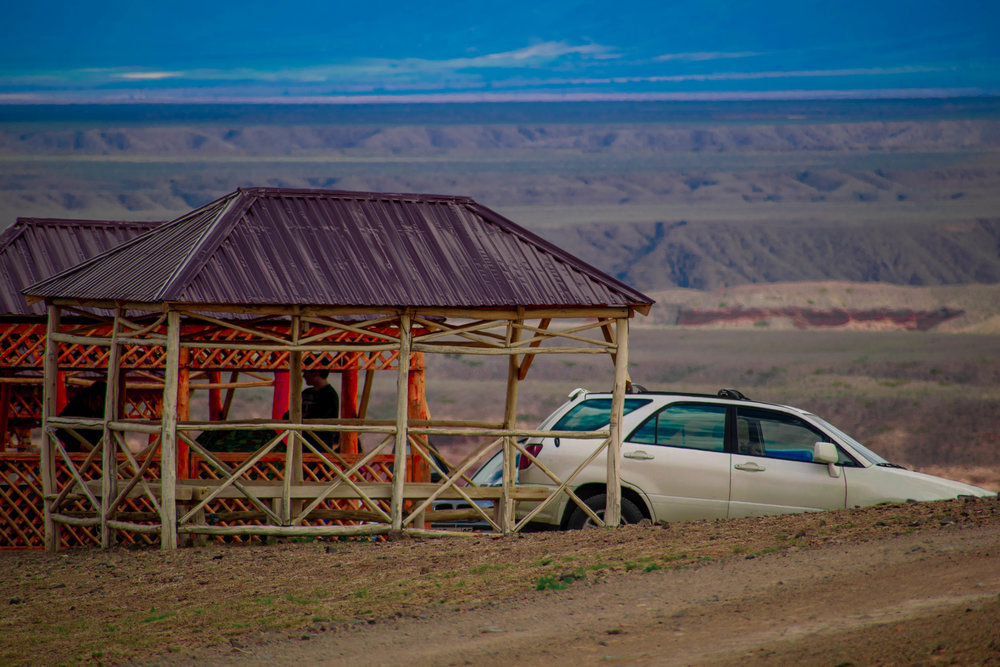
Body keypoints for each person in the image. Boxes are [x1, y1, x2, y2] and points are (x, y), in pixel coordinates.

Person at [55, 381, 106, 452]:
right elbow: (59, 429)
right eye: (97, 401)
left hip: (98, 453)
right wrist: (78, 444)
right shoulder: (75, 407)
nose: (99, 405)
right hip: (76, 453)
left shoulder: (102, 410)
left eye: (101, 402)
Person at [300, 369, 339, 449]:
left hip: (321, 443)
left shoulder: (329, 395)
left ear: (315, 372)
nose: (303, 376)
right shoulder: (306, 393)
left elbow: (320, 417)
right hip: (303, 441)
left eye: (306, 372)